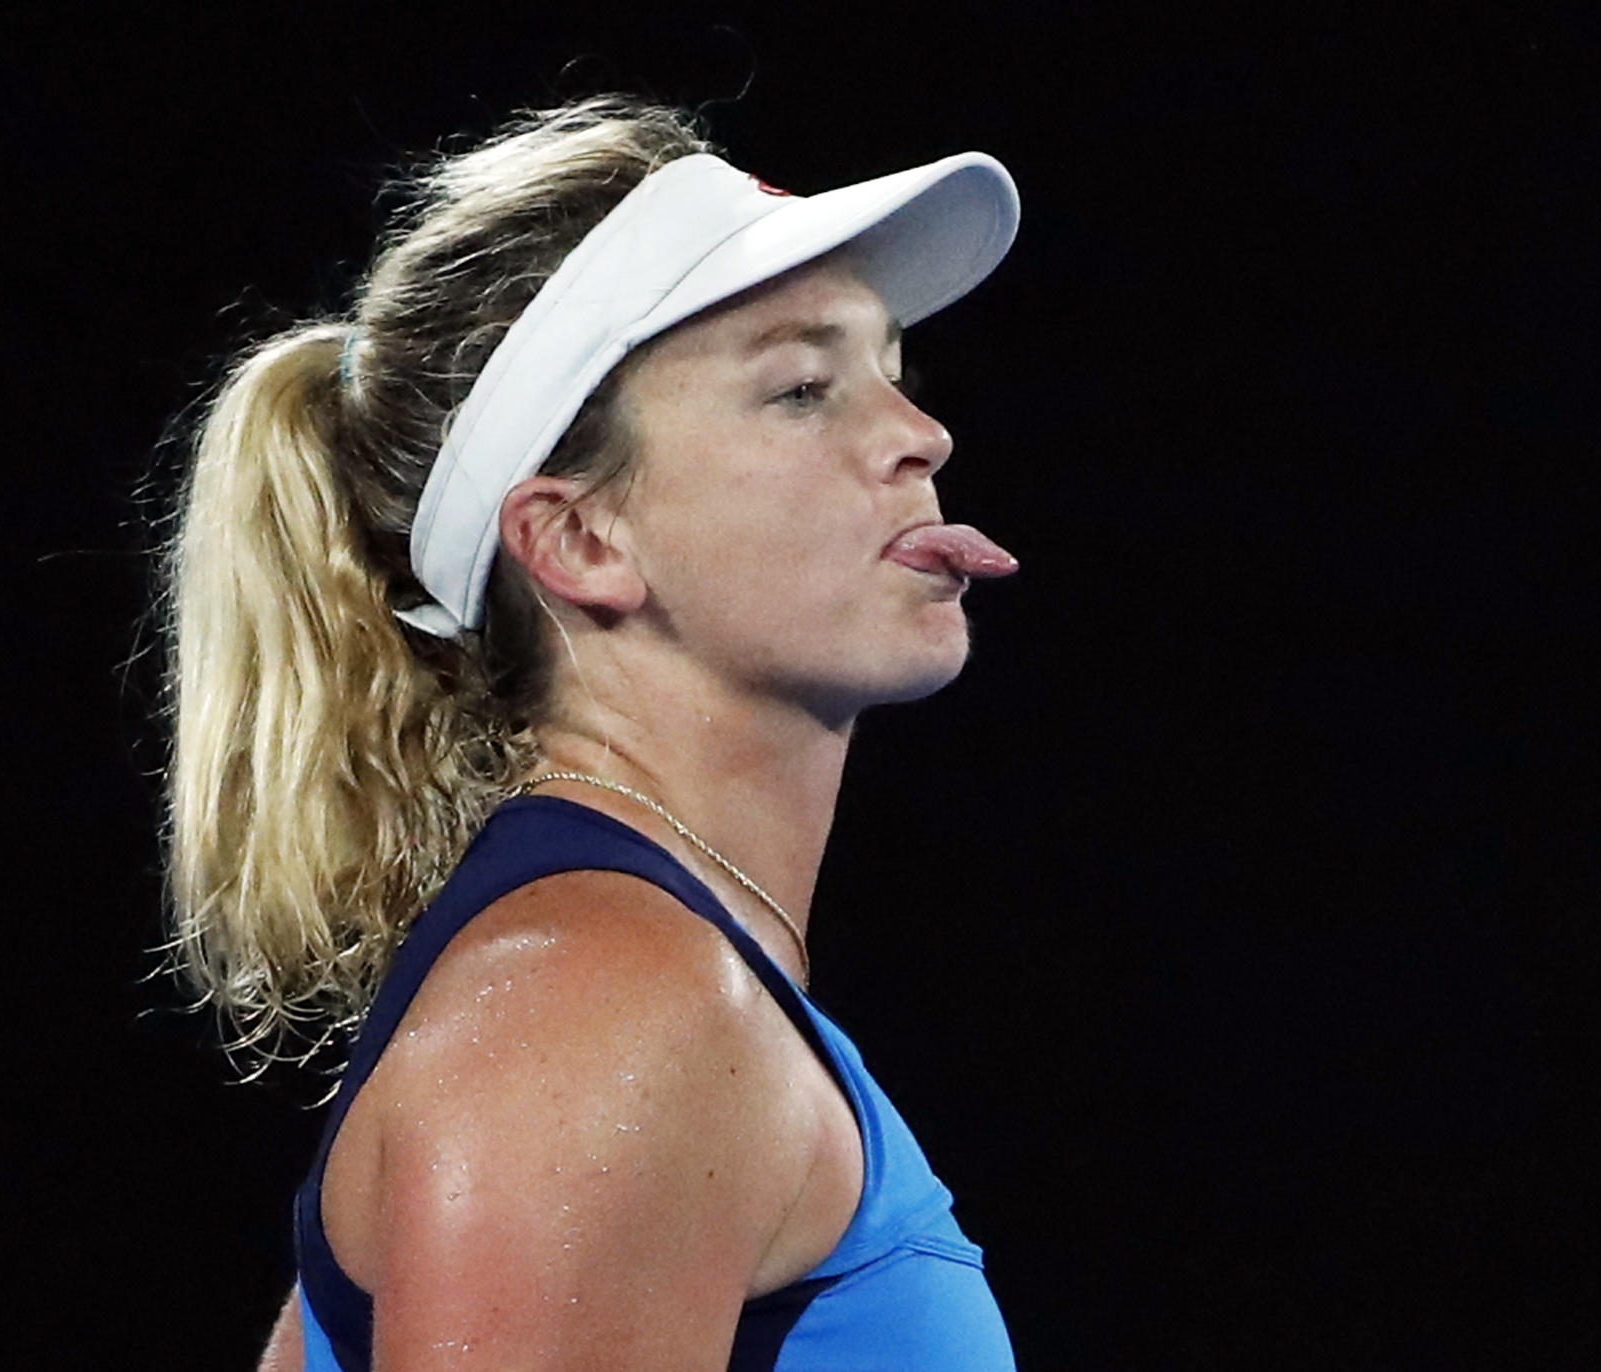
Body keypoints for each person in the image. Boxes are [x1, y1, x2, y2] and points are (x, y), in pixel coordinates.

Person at [166, 96, 1021, 1371]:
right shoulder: (602, 1010)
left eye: (891, 373)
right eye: (799, 388)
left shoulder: (615, 985)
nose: (919, 435)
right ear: (578, 540)